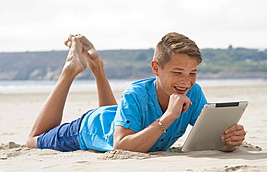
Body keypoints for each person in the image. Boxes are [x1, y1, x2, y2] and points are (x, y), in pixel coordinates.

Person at [26, 32, 246, 153]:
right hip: (90, 128)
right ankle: (70, 70)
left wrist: (228, 141)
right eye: (178, 72)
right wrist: (168, 117)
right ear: (156, 68)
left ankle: (97, 66)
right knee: (33, 141)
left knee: (113, 115)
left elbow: (207, 139)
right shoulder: (136, 94)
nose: (186, 81)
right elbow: (120, 146)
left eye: (192, 73)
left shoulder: (194, 92)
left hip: (116, 117)